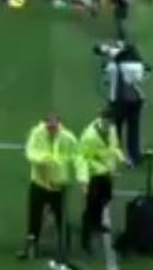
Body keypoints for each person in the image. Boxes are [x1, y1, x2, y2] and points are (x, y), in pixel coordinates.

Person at [19, 115, 80, 261]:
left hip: (58, 184)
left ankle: (65, 246)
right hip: (40, 183)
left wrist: (78, 177)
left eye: (54, 127)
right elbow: (30, 152)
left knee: (61, 216)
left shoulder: (68, 138)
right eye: (49, 127)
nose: (52, 129)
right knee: (34, 216)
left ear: (59, 125)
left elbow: (77, 156)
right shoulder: (36, 134)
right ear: (45, 125)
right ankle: (32, 245)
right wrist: (44, 159)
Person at [77, 106, 124, 254]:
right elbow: (82, 158)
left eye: (109, 122)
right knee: (91, 206)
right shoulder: (89, 137)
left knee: (106, 198)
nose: (108, 125)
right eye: (105, 121)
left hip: (106, 172)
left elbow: (114, 147)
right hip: (94, 174)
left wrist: (120, 157)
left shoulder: (111, 129)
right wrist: (84, 181)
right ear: (101, 119)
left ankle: (97, 223)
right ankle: (85, 240)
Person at [105, 45, 144, 166]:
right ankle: (134, 157)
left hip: (117, 101)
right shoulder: (138, 66)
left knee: (116, 130)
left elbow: (107, 80)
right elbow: (139, 80)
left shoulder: (112, 66)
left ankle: (116, 156)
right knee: (133, 129)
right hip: (135, 100)